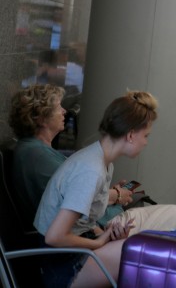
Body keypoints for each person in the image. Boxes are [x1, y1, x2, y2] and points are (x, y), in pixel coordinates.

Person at [9, 84, 176, 237]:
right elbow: (72, 204)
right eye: (58, 107)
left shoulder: (37, 152)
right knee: (174, 218)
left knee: (173, 216)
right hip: (89, 236)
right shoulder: (37, 156)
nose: (64, 111)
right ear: (40, 117)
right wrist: (115, 198)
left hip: (92, 231)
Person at [32, 90, 159, 286]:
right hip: (62, 266)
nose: (146, 142)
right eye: (146, 135)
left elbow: (80, 223)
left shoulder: (101, 161)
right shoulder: (91, 171)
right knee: (138, 250)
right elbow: (54, 236)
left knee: (147, 237)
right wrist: (99, 243)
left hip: (70, 252)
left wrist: (104, 235)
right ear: (131, 135)